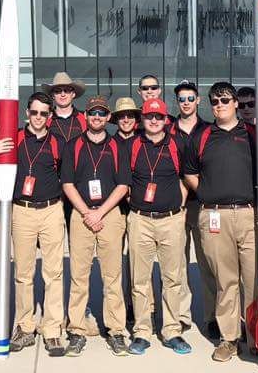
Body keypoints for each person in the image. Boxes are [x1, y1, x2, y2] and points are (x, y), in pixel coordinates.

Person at [183, 82, 256, 363]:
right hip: (214, 215)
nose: (220, 105)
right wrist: (207, 192)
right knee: (225, 281)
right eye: (215, 101)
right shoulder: (201, 136)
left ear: (236, 103)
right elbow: (190, 172)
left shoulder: (252, 135)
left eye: (225, 100)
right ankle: (229, 338)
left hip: (248, 214)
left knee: (253, 280)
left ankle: (255, 337)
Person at [61, 96, 131, 357]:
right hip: (81, 214)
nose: (97, 117)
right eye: (93, 113)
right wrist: (86, 212)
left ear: (108, 117)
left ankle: (116, 331)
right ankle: (77, 330)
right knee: (79, 277)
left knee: (112, 277)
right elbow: (67, 183)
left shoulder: (117, 146)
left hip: (109, 214)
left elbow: (123, 185)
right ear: (86, 116)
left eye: (102, 113)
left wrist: (100, 212)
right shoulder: (74, 145)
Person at [125, 98, 190, 356]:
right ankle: (142, 331)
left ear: (166, 119)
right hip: (140, 219)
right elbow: (125, 182)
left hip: (171, 219)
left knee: (172, 278)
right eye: (149, 116)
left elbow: (186, 178)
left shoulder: (177, 144)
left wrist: (179, 206)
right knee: (140, 279)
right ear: (142, 119)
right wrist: (138, 206)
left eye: (159, 117)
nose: (154, 121)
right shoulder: (132, 145)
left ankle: (171, 330)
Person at [6, 92, 66, 357]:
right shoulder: (15, 139)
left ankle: (52, 329)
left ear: (50, 116)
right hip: (23, 211)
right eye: (34, 112)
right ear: (27, 113)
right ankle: (25, 327)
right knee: (23, 273)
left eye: (43, 113)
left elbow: (65, 177)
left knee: (54, 273)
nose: (38, 117)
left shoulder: (57, 143)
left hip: (51, 209)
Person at [170, 81, 209, 334]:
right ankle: (182, 315)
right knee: (178, 264)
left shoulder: (209, 130)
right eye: (182, 99)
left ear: (198, 100)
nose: (186, 103)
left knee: (208, 262)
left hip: (203, 203)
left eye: (190, 98)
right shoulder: (167, 131)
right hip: (175, 205)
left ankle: (212, 316)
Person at [110, 97, 141, 323]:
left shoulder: (144, 140)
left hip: (141, 208)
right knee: (114, 263)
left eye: (130, 115)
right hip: (116, 209)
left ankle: (139, 307)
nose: (126, 119)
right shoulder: (110, 143)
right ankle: (120, 307)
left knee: (139, 263)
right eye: (122, 116)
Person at [42, 71, 87, 144]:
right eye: (58, 91)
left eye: (67, 90)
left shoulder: (85, 118)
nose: (63, 94)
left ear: (73, 94)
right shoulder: (44, 119)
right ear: (53, 95)